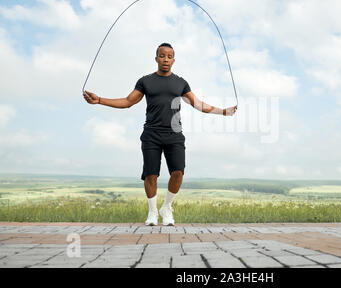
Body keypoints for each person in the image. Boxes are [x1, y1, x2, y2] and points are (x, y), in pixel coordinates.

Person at [83, 43, 237, 226]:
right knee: (151, 174)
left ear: (173, 60)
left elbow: (198, 104)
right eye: (162, 56)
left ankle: (167, 207)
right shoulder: (145, 81)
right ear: (156, 58)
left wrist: (223, 112)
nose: (165, 59)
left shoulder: (181, 83)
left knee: (178, 172)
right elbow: (127, 101)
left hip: (174, 135)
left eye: (169, 56)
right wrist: (100, 100)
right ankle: (152, 212)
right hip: (151, 135)